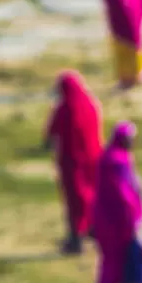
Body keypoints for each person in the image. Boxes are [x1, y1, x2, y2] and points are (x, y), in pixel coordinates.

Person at [91, 121, 142, 283]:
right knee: (120, 262)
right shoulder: (116, 161)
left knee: (112, 261)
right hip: (117, 221)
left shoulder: (113, 157)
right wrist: (133, 219)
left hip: (109, 219)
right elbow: (122, 195)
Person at [44, 70, 104, 255]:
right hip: (94, 159)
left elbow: (51, 133)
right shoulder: (91, 104)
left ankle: (75, 240)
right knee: (92, 195)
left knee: (75, 199)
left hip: (72, 162)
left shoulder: (64, 109)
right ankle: (95, 231)